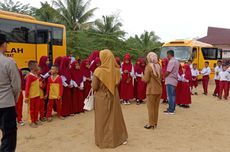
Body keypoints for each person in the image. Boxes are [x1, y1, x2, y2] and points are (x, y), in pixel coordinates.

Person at [92, 49, 128, 148]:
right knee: (115, 118)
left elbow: (94, 87)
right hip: (114, 96)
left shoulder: (98, 71)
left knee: (102, 119)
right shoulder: (116, 70)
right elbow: (117, 82)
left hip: (101, 97)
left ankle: (103, 140)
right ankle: (119, 138)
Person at [0, 34, 21, 151]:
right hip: (6, 104)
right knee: (9, 136)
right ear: (4, 44)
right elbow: (17, 86)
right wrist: (14, 99)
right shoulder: (8, 62)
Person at [142, 52, 162, 129]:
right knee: (156, 108)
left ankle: (151, 123)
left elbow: (146, 79)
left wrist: (142, 78)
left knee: (150, 108)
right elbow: (161, 77)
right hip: (159, 89)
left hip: (151, 90)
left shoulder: (148, 67)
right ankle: (155, 123)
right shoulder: (159, 66)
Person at [25, 61, 41, 128]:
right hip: (31, 96)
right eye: (37, 66)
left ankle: (35, 120)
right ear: (33, 67)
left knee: (36, 108)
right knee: (31, 109)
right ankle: (31, 121)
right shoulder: (30, 76)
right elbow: (27, 86)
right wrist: (26, 96)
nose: (38, 67)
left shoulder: (36, 75)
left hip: (37, 95)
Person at [164, 50, 179, 114]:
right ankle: (173, 108)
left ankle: (171, 110)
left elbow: (168, 71)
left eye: (167, 55)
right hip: (174, 80)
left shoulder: (171, 61)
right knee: (173, 95)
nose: (167, 56)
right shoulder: (176, 61)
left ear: (169, 54)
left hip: (170, 80)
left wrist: (164, 76)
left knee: (170, 96)